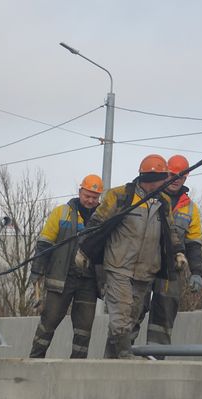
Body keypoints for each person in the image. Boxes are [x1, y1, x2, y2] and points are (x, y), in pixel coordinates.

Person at [76, 154, 186, 359]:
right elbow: (96, 224)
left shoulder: (163, 203)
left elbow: (170, 232)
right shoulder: (119, 196)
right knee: (121, 317)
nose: (165, 182)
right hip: (118, 267)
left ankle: (111, 362)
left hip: (146, 271)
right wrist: (84, 250)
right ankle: (125, 357)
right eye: (163, 179)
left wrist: (178, 252)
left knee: (132, 319)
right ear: (152, 181)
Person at [27, 174, 103, 358]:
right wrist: (37, 270)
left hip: (88, 282)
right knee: (49, 321)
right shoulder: (62, 213)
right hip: (61, 278)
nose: (90, 200)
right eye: (87, 195)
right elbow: (44, 243)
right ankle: (35, 360)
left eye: (94, 197)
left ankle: (77, 367)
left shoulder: (102, 218)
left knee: (84, 329)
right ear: (80, 192)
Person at [143, 154, 202, 347]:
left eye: (182, 176)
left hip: (171, 269)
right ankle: (119, 359)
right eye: (172, 174)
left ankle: (154, 360)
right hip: (143, 263)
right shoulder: (149, 197)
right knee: (133, 310)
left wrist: (197, 272)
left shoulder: (191, 209)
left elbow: (194, 244)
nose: (176, 179)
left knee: (164, 317)